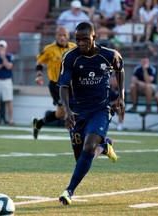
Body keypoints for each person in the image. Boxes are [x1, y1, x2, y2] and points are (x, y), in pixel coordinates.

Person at [58, 22, 125, 205]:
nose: (80, 43)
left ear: (94, 37)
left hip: (100, 110)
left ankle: (68, 191)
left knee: (88, 147)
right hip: (78, 112)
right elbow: (63, 86)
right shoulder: (70, 58)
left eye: (85, 39)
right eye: (77, 39)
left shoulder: (109, 55)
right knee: (81, 157)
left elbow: (120, 69)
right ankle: (104, 147)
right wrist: (67, 110)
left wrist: (121, 96)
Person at [32, 26, 76, 139]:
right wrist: (39, 75)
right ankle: (75, 135)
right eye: (60, 35)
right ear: (56, 36)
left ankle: (39, 123)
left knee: (60, 114)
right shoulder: (49, 49)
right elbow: (40, 61)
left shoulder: (74, 48)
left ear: (68, 36)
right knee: (66, 109)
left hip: (71, 85)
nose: (62, 37)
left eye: (64, 35)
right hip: (56, 85)